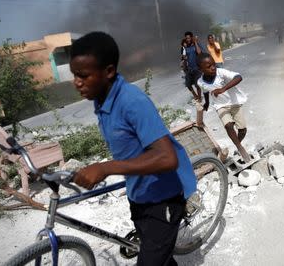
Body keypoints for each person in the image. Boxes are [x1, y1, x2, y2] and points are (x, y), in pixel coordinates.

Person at [69, 32, 197, 266]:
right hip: (139, 196)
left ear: (108, 72)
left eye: (83, 75)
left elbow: (168, 158)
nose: (76, 82)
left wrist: (107, 168)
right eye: (74, 75)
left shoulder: (131, 102)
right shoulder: (101, 99)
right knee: (161, 258)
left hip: (163, 200)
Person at [196, 53, 251, 163]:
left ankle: (237, 144)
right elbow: (206, 91)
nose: (213, 68)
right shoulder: (200, 82)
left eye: (213, 64)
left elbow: (238, 77)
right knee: (229, 125)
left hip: (235, 103)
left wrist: (223, 89)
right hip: (221, 106)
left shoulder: (221, 72)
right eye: (208, 67)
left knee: (242, 130)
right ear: (200, 69)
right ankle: (240, 148)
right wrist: (206, 103)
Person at [183, 31, 204, 100]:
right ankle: (195, 95)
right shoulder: (185, 48)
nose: (188, 39)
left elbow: (199, 52)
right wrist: (184, 58)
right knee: (188, 85)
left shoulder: (195, 45)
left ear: (191, 38)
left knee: (197, 85)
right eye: (186, 38)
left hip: (197, 69)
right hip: (189, 69)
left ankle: (199, 97)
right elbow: (184, 57)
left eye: (189, 38)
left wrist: (195, 42)